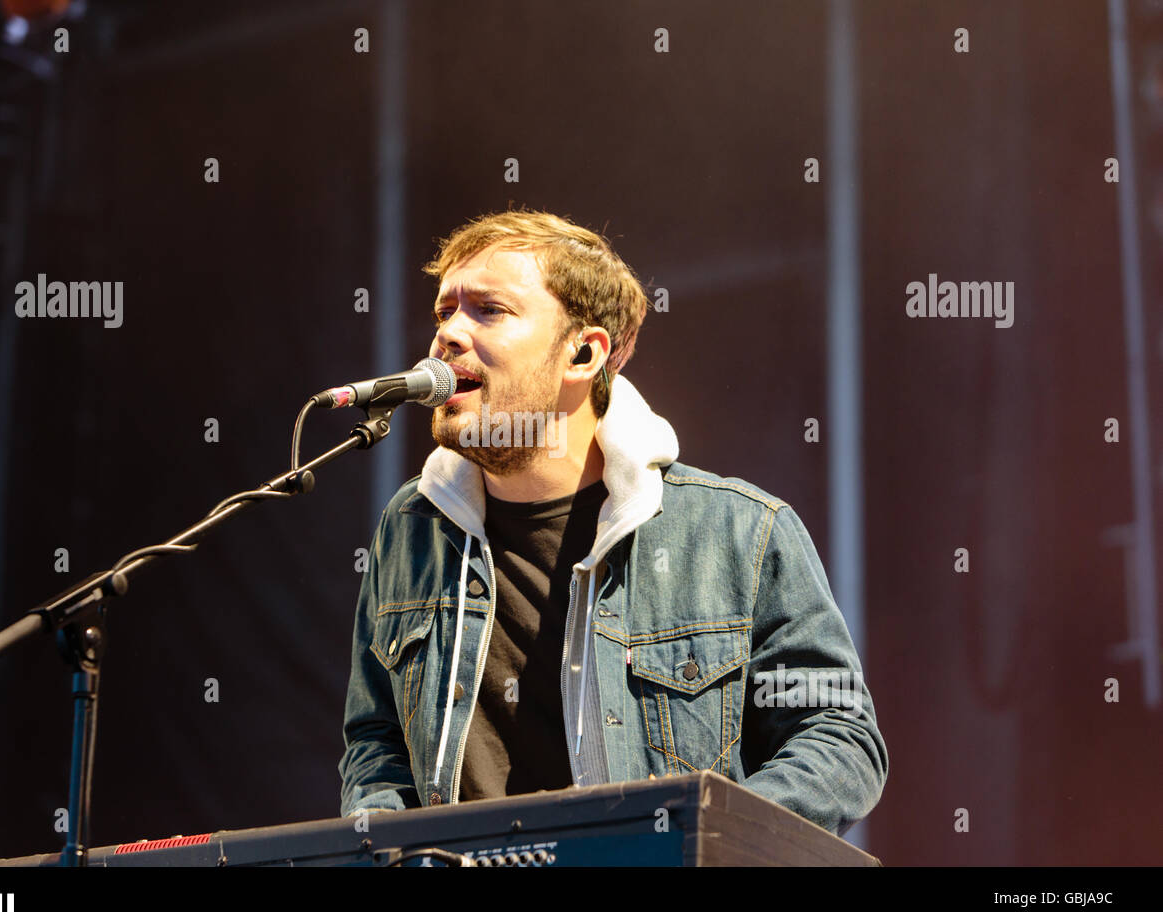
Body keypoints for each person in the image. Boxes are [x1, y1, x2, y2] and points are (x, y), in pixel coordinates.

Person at [338, 210, 888, 836]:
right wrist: (378, 840)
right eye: (445, 311)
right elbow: (376, 741)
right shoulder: (413, 527)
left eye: (488, 309)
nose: (449, 336)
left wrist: (703, 842)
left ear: (582, 352)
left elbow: (838, 740)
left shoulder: (741, 532)